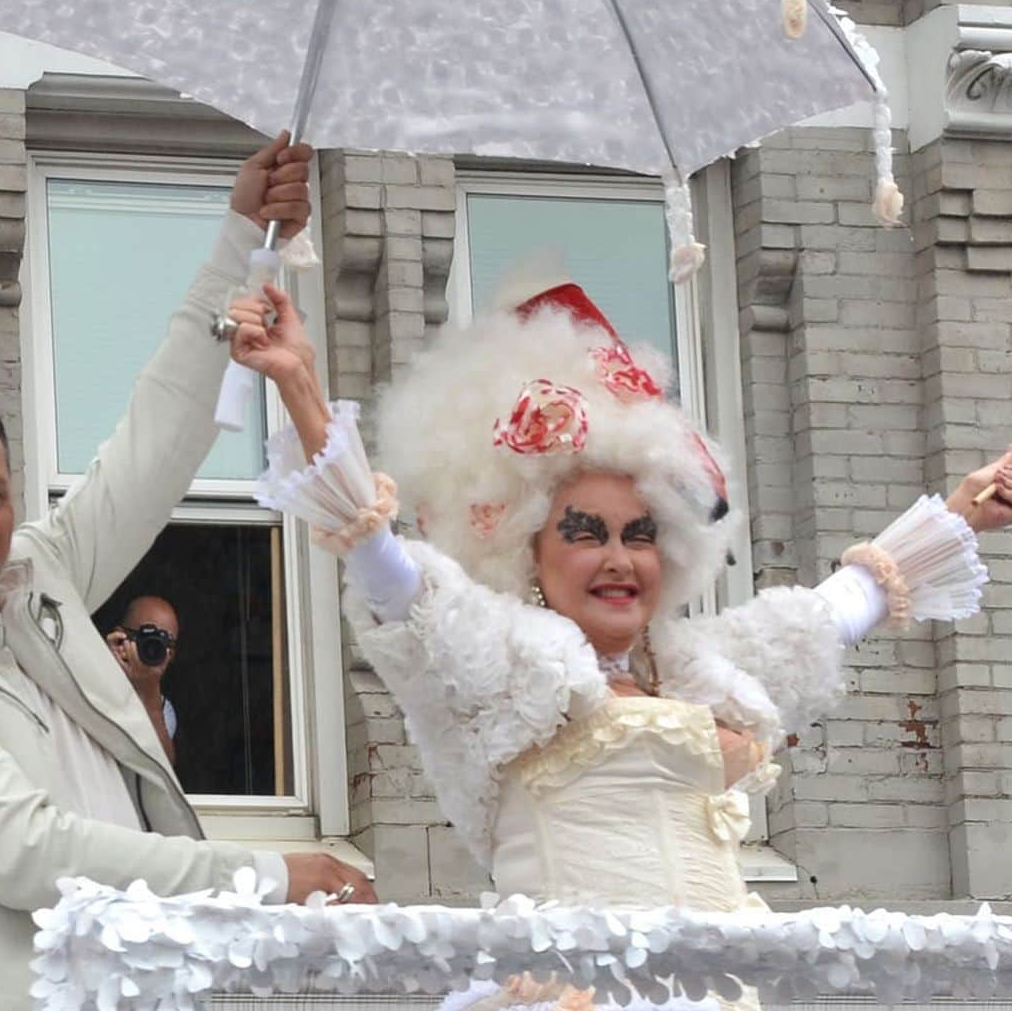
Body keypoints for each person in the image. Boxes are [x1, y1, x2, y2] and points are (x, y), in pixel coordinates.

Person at [227, 276, 1012, 1011]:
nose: (618, 558)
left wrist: (963, 511)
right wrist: (299, 384)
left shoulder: (697, 664)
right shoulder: (499, 662)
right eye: (585, 532)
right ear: (528, 546)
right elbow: (385, 565)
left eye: (640, 535)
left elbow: (836, 608)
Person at [0, 134, 374, 1011]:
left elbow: (157, 439)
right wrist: (267, 875)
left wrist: (245, 235)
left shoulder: (38, 573)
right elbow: (31, 851)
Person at [106, 595, 180, 764]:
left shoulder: (162, 709)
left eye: (164, 642)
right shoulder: (91, 679)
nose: (154, 648)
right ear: (120, 637)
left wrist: (149, 690)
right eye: (147, 637)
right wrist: (102, 662)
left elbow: (163, 766)